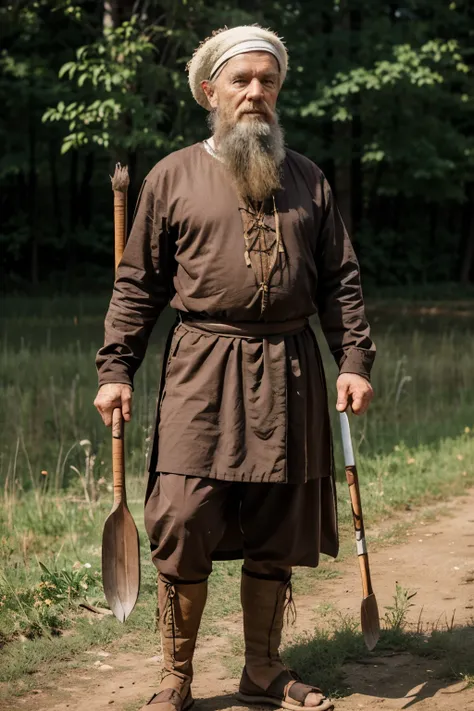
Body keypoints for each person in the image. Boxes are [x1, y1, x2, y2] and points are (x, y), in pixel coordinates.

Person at [95, 25, 375, 711]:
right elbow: (136, 286)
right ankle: (177, 674)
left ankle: (263, 669)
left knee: (276, 521)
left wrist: (355, 358)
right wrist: (117, 368)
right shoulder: (172, 177)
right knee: (184, 514)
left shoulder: (308, 178)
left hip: (292, 368)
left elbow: (341, 280)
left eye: (267, 80)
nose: (255, 92)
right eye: (242, 80)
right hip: (202, 367)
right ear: (209, 91)